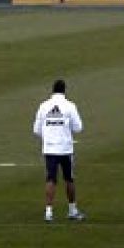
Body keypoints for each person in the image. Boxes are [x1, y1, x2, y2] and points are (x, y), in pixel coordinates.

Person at [33, 79, 85, 223]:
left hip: (49, 148)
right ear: (64, 90)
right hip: (65, 148)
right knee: (69, 178)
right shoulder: (69, 106)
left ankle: (49, 212)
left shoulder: (44, 106)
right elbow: (78, 128)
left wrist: (49, 135)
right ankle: (72, 210)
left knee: (50, 179)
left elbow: (36, 130)